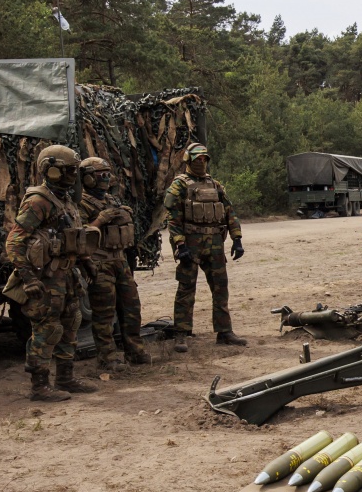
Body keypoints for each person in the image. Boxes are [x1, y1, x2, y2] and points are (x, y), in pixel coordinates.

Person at [4, 145, 98, 401]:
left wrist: (86, 261)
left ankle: (65, 377)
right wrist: (28, 277)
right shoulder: (39, 201)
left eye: (74, 171)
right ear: (51, 170)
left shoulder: (65, 200)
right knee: (47, 329)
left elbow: (72, 237)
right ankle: (39, 385)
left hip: (67, 276)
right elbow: (14, 241)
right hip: (47, 278)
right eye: (67, 171)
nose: (72, 176)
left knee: (71, 324)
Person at [163, 143, 248, 352]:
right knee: (185, 289)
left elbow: (229, 212)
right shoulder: (180, 185)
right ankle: (181, 334)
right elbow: (173, 218)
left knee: (221, 288)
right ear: (188, 160)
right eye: (197, 159)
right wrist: (180, 245)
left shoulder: (215, 185)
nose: (201, 162)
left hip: (215, 245)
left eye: (204, 159)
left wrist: (237, 238)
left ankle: (224, 331)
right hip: (191, 244)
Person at [78, 157, 151, 371]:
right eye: (101, 174)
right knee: (104, 313)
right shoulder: (81, 203)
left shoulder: (112, 200)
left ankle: (135, 351)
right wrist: (100, 220)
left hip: (119, 260)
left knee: (131, 308)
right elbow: (79, 235)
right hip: (99, 262)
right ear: (88, 177)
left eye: (107, 173)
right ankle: (107, 357)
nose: (106, 178)